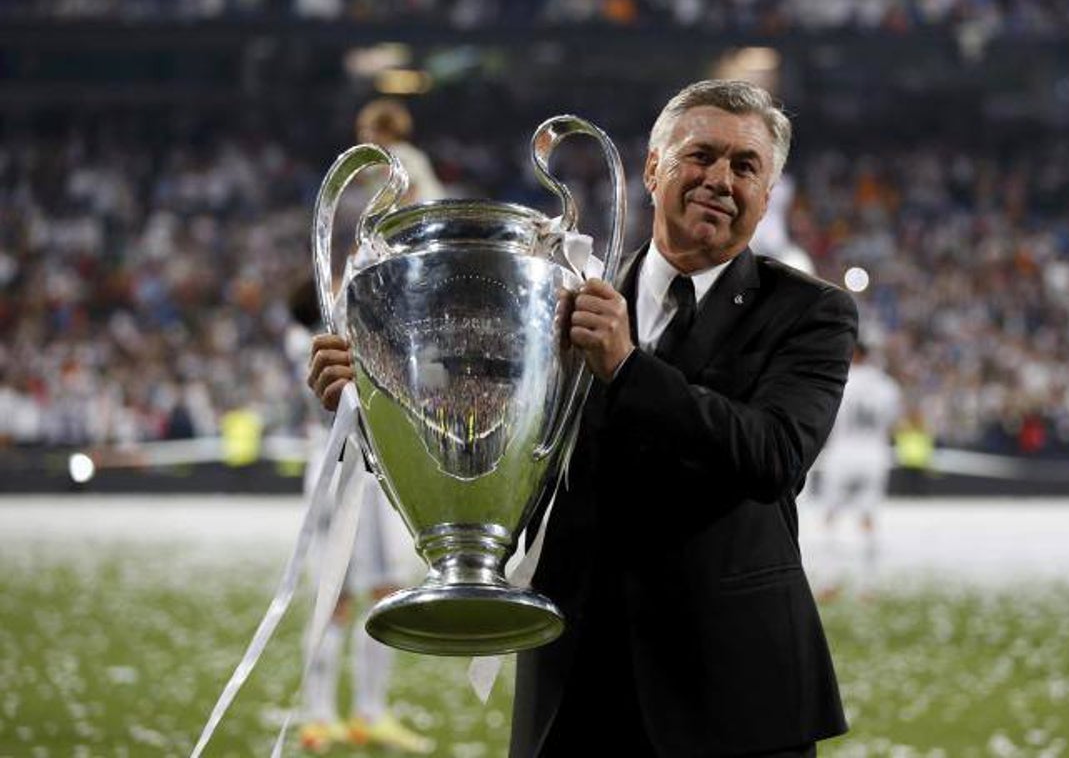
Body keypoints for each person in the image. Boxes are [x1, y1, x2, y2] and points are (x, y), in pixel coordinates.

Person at [308, 80, 859, 757]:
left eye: (746, 166)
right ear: (653, 169)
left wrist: (629, 367)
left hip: (730, 689)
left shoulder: (810, 312)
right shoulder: (559, 299)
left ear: (767, 194)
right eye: (701, 155)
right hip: (576, 682)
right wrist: (371, 404)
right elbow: (487, 450)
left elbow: (773, 456)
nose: (720, 179)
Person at [295, 98, 439, 754]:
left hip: (381, 452)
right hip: (340, 451)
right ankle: (320, 713)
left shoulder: (387, 244)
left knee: (379, 587)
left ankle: (364, 711)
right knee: (339, 588)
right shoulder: (355, 274)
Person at [811, 342, 902, 599]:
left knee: (830, 517)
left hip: (843, 453)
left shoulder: (840, 380)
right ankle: (868, 586)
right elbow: (891, 421)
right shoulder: (887, 386)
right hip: (874, 455)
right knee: (868, 518)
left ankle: (829, 581)